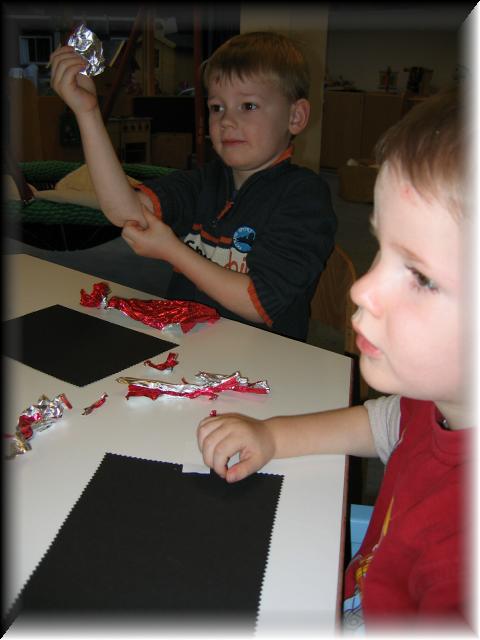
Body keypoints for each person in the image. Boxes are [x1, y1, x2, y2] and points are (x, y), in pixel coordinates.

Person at [197, 87, 474, 632]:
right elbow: (385, 423)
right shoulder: (438, 401)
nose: (362, 288)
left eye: (420, 276)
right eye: (382, 250)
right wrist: (272, 435)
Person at [49, 31, 336, 341]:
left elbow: (259, 303)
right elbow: (125, 213)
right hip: (188, 347)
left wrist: (172, 250)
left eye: (248, 106)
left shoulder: (305, 197)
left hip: (264, 359)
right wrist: (88, 113)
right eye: (217, 107)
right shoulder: (204, 181)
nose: (226, 121)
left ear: (295, 116)